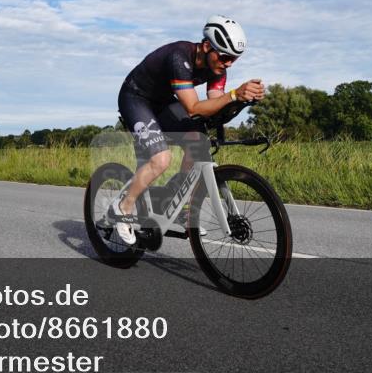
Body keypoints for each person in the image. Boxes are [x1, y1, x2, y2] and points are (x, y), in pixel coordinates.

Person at [111, 15, 265, 245]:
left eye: (234, 59)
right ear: (206, 46)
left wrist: (242, 101)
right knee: (161, 159)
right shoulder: (179, 57)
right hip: (136, 97)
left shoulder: (218, 67)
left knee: (198, 143)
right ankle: (122, 208)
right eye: (224, 57)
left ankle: (178, 204)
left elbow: (215, 104)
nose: (228, 63)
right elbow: (194, 107)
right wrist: (234, 94)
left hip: (163, 100)